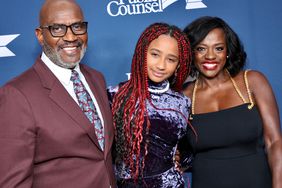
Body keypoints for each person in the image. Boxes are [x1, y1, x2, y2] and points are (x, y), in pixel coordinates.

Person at [0, 0, 116, 187]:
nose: (71, 37)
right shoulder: (16, 95)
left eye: (77, 26)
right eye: (58, 29)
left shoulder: (97, 79)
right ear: (40, 35)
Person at [182, 16, 282, 188]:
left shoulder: (252, 81)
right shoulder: (184, 96)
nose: (210, 56)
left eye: (218, 48)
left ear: (228, 50)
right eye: (201, 49)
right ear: (191, 53)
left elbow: (274, 142)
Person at [107, 22, 195, 187]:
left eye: (171, 59)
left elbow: (187, 150)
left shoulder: (182, 102)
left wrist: (180, 158)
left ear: (178, 65)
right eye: (155, 54)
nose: (161, 65)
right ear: (142, 53)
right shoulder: (114, 95)